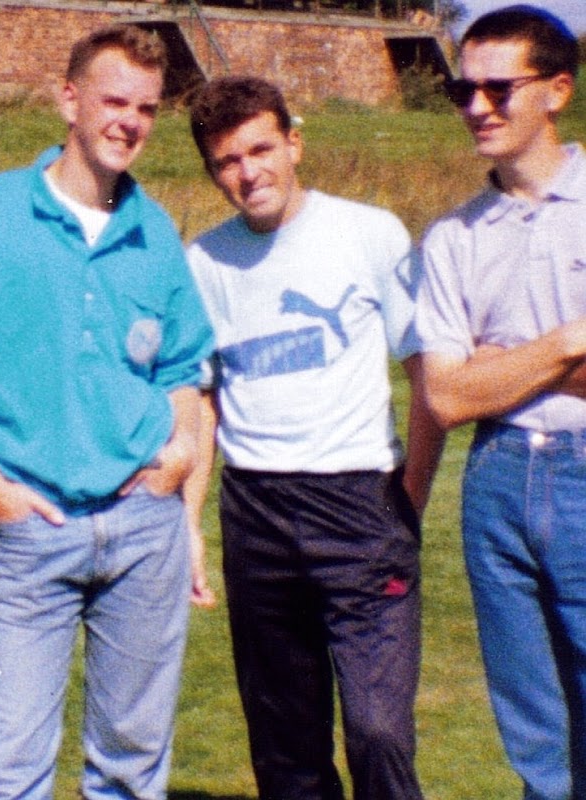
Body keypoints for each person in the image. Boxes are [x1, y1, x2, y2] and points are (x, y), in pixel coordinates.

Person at [0, 24, 215, 800]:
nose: (129, 122)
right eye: (114, 101)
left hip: (144, 530)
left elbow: (183, 370)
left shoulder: (154, 230)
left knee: (132, 772)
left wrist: (179, 461)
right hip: (32, 532)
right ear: (69, 100)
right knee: (8, 775)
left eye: (146, 108)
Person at [185, 76, 445, 800]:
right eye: (227, 161)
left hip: (361, 503)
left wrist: (409, 499)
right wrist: (190, 523)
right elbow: (203, 402)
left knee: (378, 733)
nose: (248, 172)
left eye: (261, 150)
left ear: (294, 145)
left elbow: (429, 376)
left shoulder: (369, 233)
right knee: (285, 745)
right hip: (256, 513)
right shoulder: (204, 262)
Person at [415, 6, 585, 799]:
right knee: (532, 724)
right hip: (497, 478)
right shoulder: (453, 237)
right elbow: (447, 395)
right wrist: (565, 344)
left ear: (557, 91)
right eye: (463, 90)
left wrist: (501, 366)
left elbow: (475, 380)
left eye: (498, 89)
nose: (477, 107)